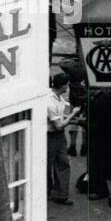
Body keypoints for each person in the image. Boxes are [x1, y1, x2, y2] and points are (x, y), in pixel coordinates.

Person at [46, 72, 78, 204]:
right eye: (67, 86)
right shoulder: (49, 103)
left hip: (59, 136)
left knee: (63, 162)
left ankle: (61, 194)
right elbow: (58, 126)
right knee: (47, 165)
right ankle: (47, 191)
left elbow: (60, 117)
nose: (68, 88)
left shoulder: (58, 98)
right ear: (62, 86)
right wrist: (72, 115)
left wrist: (73, 119)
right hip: (50, 136)